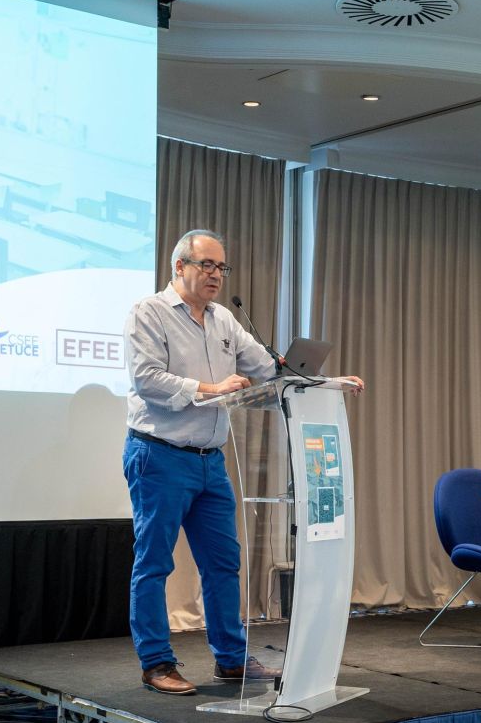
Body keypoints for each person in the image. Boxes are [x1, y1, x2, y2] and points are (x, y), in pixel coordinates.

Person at [124, 229, 364, 695]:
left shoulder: (224, 320)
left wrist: (327, 382)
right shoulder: (148, 313)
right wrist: (212, 389)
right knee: (154, 563)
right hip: (159, 456)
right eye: (207, 265)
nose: (216, 274)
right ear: (180, 267)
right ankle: (156, 663)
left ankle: (231, 660)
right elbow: (147, 379)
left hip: (210, 462)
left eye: (222, 267)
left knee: (223, 563)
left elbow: (271, 369)